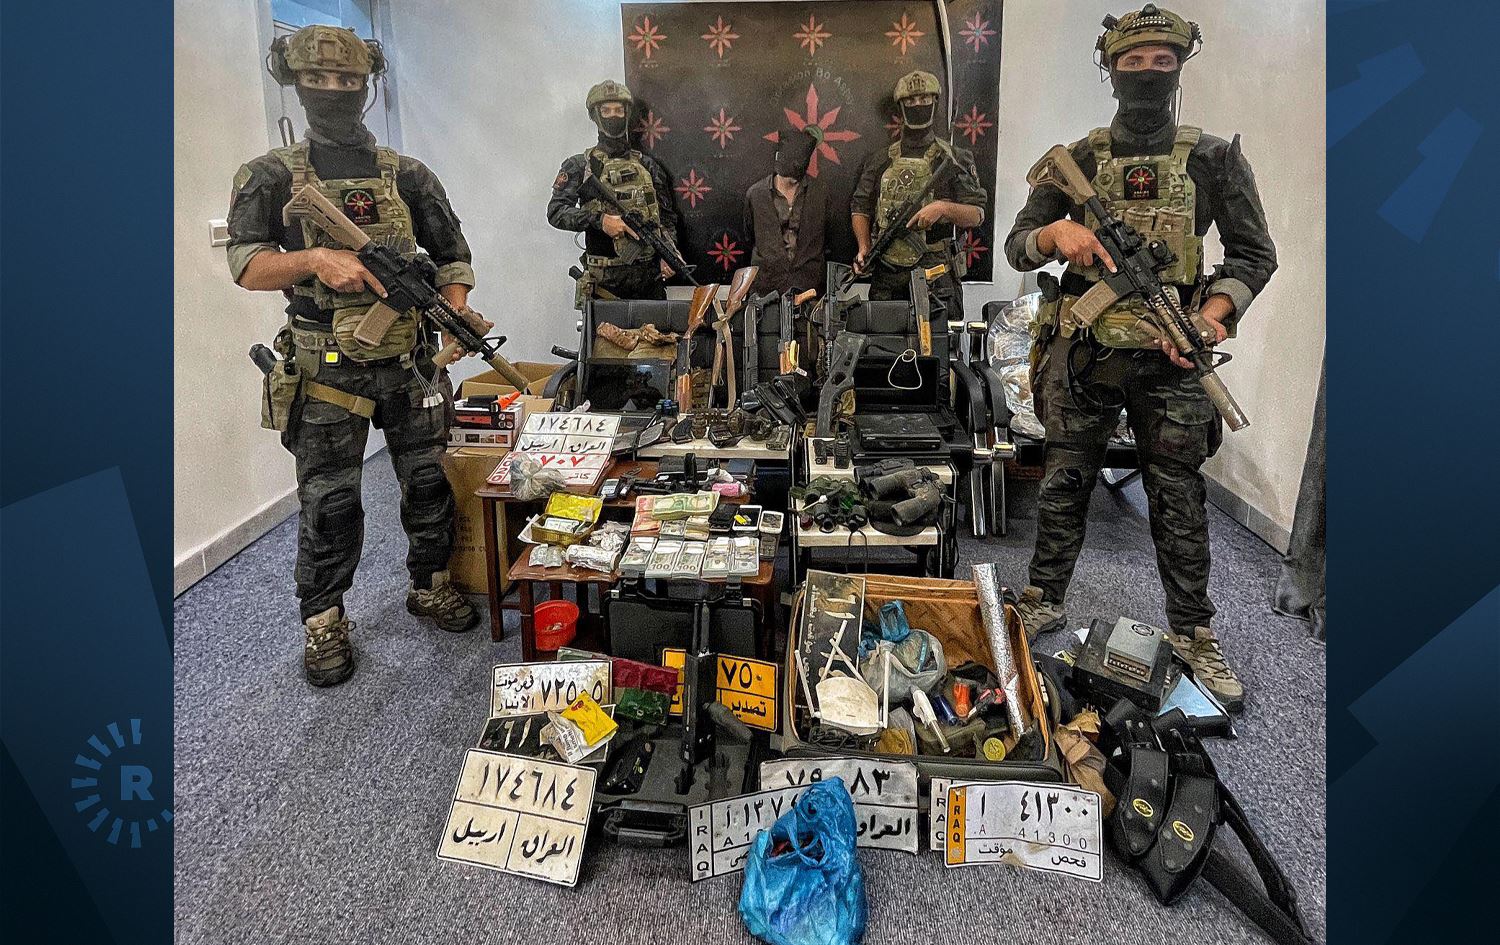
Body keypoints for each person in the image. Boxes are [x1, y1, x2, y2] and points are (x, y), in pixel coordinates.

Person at [1004, 4, 1277, 712]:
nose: (1148, 72)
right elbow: (1017, 245)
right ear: (1111, 69)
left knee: (1177, 495)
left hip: (1170, 357)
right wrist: (1056, 235)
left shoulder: (1213, 159)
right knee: (1064, 481)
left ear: (1181, 66)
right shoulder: (1078, 160)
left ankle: (1193, 632)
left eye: (1163, 61)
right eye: (1134, 61)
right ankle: (1042, 597)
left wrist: (1211, 318)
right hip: (1085, 352)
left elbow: (1254, 254)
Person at [227, 25, 479, 687]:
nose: (333, 91)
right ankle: (324, 618)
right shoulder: (269, 175)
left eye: (347, 81)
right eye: (318, 79)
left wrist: (451, 313)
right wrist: (315, 259)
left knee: (428, 481)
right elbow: (246, 265)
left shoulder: (409, 175)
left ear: (367, 86)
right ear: (295, 82)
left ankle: (431, 582)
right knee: (331, 501)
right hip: (325, 368)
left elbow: (453, 256)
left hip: (410, 361)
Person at [850, 70, 986, 317]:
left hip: (936, 277)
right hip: (888, 276)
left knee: (939, 340)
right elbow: (860, 206)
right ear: (901, 107)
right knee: (883, 338)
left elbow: (976, 214)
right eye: (911, 101)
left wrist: (942, 209)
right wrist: (864, 246)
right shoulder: (879, 160)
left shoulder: (954, 159)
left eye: (924, 99)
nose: (918, 105)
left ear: (935, 102)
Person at [547, 80, 683, 308]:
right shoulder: (580, 166)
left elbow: (666, 218)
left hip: (648, 282)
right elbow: (556, 212)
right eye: (606, 110)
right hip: (604, 284)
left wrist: (667, 254)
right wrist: (600, 220)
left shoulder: (648, 166)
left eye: (619, 110)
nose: (613, 116)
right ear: (595, 115)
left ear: (627, 113)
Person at [742, 124, 831, 296]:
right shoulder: (756, 194)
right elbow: (749, 236)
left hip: (809, 288)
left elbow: (829, 237)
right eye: (789, 179)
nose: (793, 182)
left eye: (796, 179)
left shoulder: (821, 193)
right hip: (766, 287)